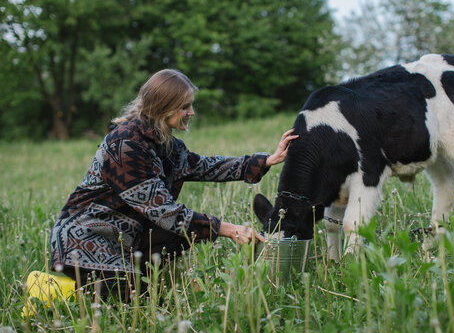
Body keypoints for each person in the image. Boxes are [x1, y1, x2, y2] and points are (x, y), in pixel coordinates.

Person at [49, 69, 297, 300]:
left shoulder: (167, 144)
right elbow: (164, 212)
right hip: (86, 239)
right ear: (163, 107)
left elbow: (206, 166)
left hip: (125, 237)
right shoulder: (125, 146)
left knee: (174, 243)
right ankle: (53, 289)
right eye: (185, 107)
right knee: (139, 300)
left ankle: (130, 278)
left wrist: (267, 160)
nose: (192, 113)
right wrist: (228, 229)